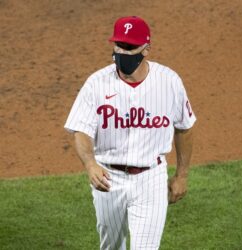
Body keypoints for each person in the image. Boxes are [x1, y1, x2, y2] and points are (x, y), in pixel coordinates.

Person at [64, 16, 196, 250]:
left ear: (146, 49)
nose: (123, 52)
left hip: (151, 177)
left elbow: (184, 127)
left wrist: (182, 175)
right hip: (108, 177)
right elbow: (81, 131)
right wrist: (90, 164)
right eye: (119, 46)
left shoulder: (169, 82)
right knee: (111, 246)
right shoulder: (96, 83)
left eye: (130, 47)